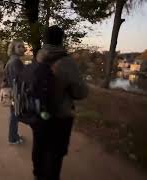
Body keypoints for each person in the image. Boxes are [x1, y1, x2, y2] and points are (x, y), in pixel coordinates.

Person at [31, 26, 88, 180]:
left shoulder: (38, 57)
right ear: (61, 39)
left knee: (39, 145)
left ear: (45, 39)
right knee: (55, 153)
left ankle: (38, 174)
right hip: (60, 116)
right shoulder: (67, 62)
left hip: (39, 112)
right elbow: (81, 93)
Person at [1, 39, 26, 144]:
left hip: (9, 90)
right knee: (15, 115)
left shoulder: (10, 60)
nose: (22, 48)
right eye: (19, 46)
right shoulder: (16, 61)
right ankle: (13, 138)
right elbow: (19, 79)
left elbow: (6, 78)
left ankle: (14, 135)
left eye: (23, 46)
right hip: (15, 92)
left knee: (14, 114)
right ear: (13, 49)